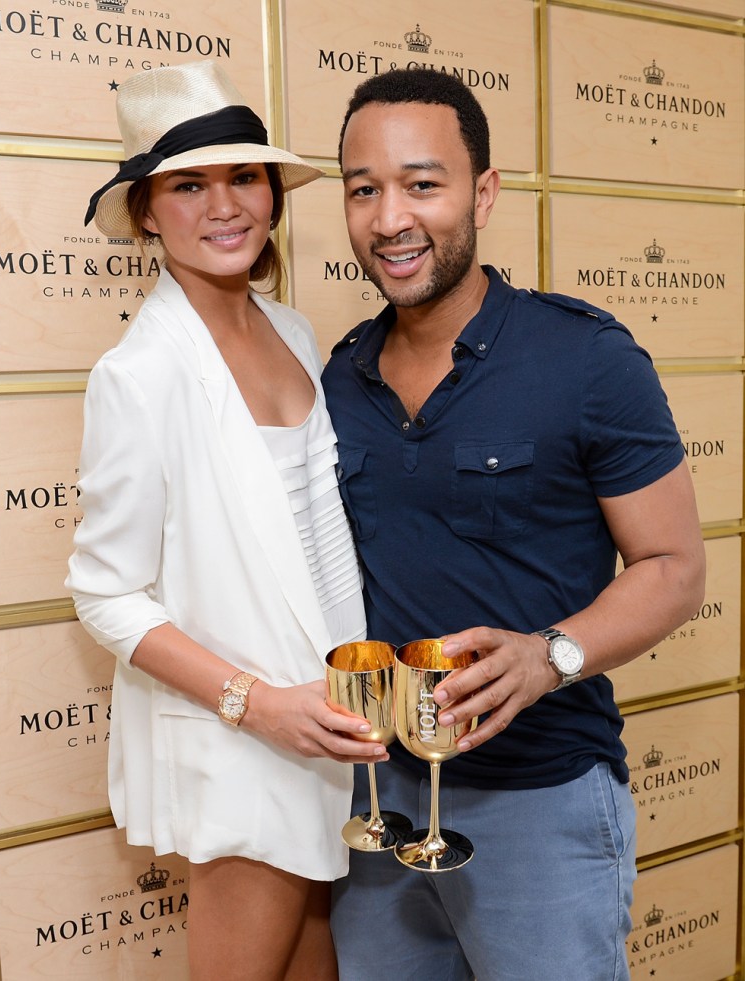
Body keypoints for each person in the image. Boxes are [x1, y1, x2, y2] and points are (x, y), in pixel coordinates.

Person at [322, 67, 705, 981]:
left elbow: (675, 568)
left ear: (483, 193)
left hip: (542, 803)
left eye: (423, 184)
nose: (390, 219)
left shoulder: (587, 358)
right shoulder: (336, 377)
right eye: (363, 189)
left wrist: (549, 657)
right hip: (378, 806)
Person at [66, 60, 389, 981]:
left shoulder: (293, 331)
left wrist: (326, 700)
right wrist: (261, 704)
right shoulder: (140, 373)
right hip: (240, 738)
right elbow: (107, 595)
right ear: (146, 212)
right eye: (188, 184)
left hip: (328, 719)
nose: (224, 205)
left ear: (274, 194)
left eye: (243, 175)